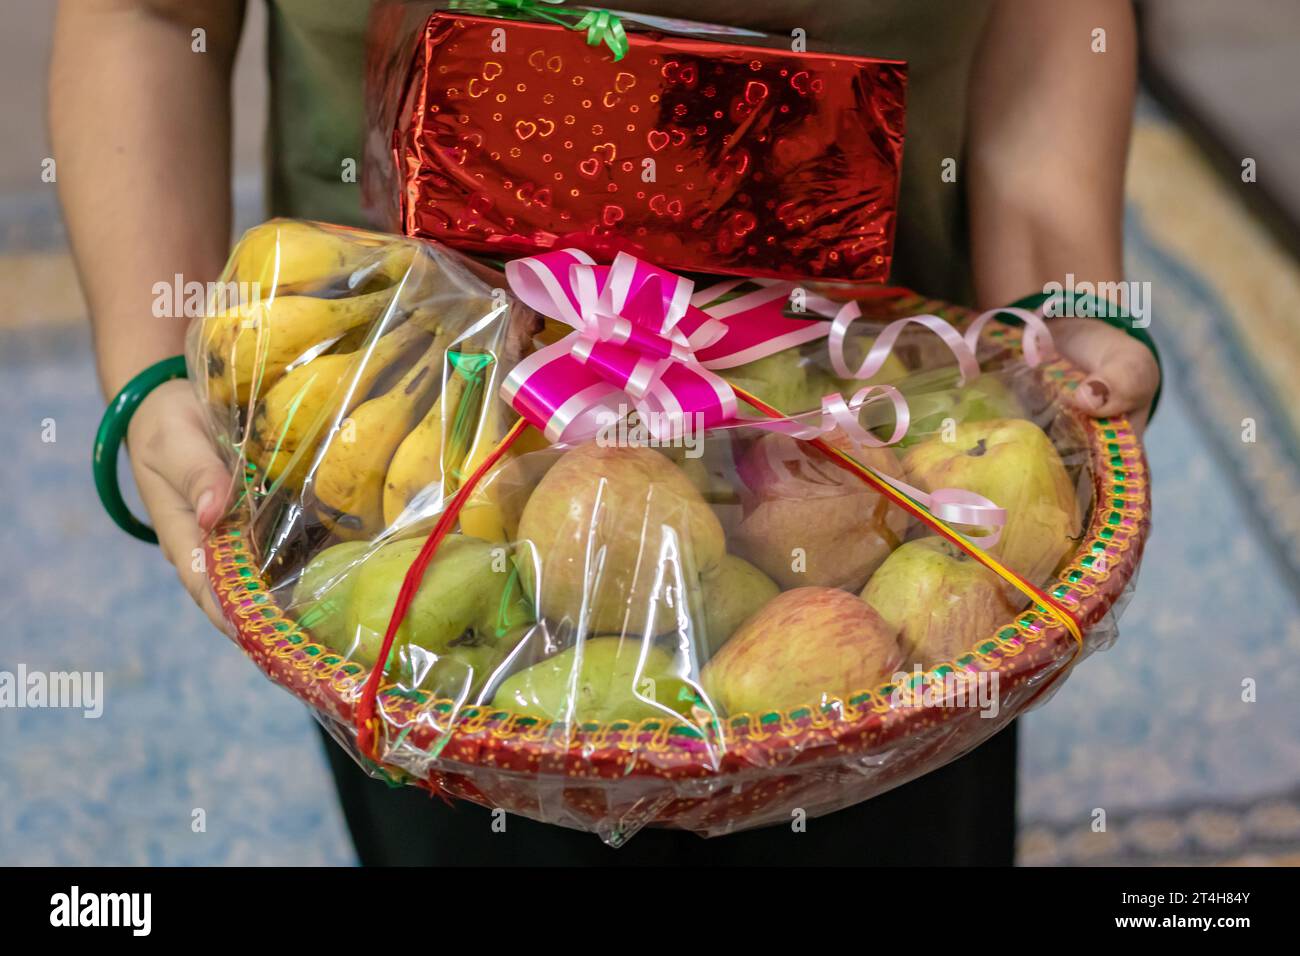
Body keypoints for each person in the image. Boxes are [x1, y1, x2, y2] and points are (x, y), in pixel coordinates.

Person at [52, 0, 1159, 865]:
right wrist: (154, 370)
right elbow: (145, 15)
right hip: (408, 432)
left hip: (886, 425)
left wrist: (1059, 293)